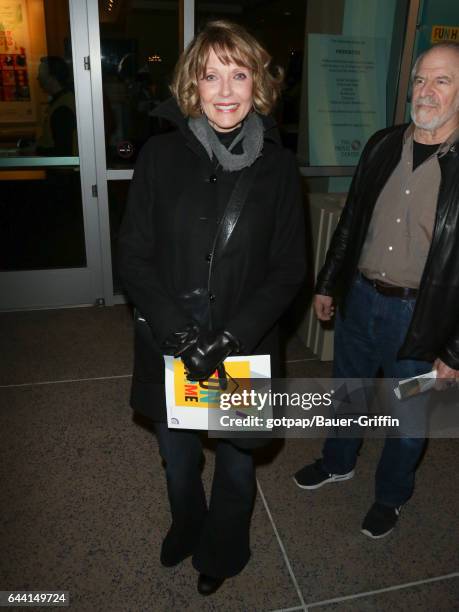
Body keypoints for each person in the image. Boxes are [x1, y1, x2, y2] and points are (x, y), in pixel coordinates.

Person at [118, 21, 305, 595]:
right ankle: (186, 523)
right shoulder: (159, 155)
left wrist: (229, 338)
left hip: (240, 351)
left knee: (235, 462)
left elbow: (289, 268)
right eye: (211, 75)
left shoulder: (275, 168)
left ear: (259, 85)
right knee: (178, 457)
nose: (226, 90)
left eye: (239, 74)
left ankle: (222, 549)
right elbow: (134, 254)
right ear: (191, 86)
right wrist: (177, 331)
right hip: (169, 345)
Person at [294, 42, 459, 539]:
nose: (426, 91)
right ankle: (338, 460)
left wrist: (454, 349)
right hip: (361, 300)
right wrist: (328, 283)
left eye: (442, 81)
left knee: (409, 418)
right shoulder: (382, 144)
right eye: (420, 80)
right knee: (348, 391)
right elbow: (350, 223)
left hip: (422, 323)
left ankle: (391, 496)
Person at [35, 56, 77, 156]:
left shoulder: (62, 108)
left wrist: (37, 151)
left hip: (63, 170)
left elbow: (63, 153)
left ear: (52, 78)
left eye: (41, 74)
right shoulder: (63, 100)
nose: (38, 78)